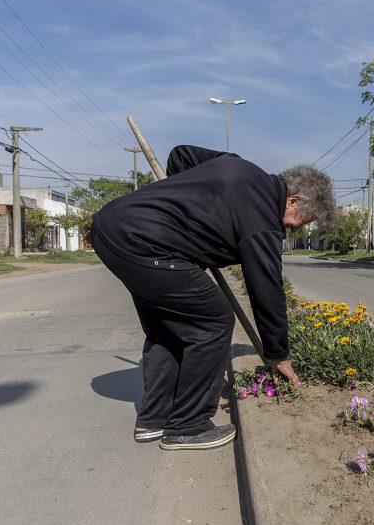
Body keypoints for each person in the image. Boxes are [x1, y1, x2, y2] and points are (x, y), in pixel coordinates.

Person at [90, 145, 336, 451]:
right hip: (145, 244)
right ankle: (188, 426)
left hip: (112, 228)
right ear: (293, 200)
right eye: (304, 220)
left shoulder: (236, 165)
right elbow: (266, 290)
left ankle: (154, 419)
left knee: (169, 327)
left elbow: (181, 155)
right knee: (213, 321)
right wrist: (278, 354)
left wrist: (188, 200)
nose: (297, 228)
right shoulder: (263, 219)